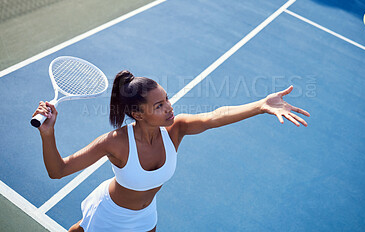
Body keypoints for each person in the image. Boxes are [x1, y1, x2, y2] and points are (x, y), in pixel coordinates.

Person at [33, 70, 310, 232]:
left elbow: (217, 116)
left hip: (146, 215)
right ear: (136, 114)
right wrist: (48, 134)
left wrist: (261, 104)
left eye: (167, 99)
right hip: (111, 214)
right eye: (159, 106)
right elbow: (58, 171)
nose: (169, 108)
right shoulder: (115, 142)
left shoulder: (176, 129)